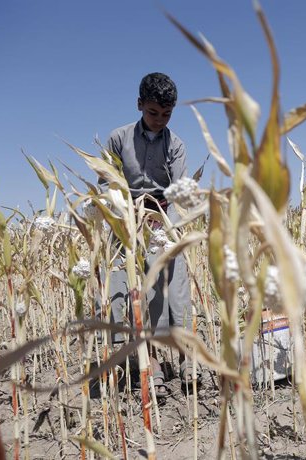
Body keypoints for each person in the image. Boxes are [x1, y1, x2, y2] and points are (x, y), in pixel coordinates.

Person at [104, 72, 197, 395]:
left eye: (166, 115)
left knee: (173, 285)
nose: (159, 120)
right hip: (125, 218)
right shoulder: (118, 138)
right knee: (127, 288)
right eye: (153, 113)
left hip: (163, 218)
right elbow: (109, 182)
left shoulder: (177, 144)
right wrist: (129, 214)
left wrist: (160, 219)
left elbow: (178, 190)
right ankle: (150, 361)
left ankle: (187, 359)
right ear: (140, 105)